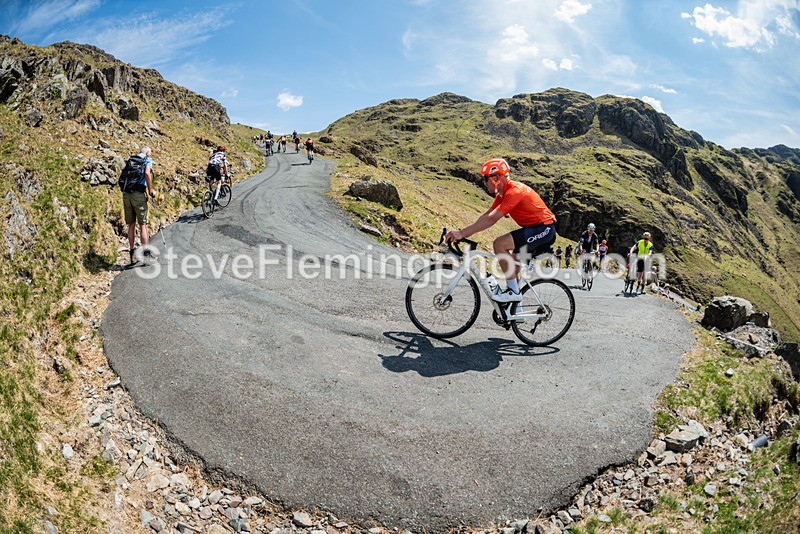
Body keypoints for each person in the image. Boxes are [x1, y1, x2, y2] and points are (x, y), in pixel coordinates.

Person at [445, 158, 557, 303]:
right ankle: (516, 311)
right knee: (513, 268)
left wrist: (462, 233)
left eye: (486, 179)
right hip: (534, 229)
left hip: (544, 229)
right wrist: (462, 232)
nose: (484, 183)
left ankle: (512, 293)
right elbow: (486, 216)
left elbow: (492, 220)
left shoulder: (514, 192)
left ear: (497, 177)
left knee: (500, 244)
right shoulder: (502, 195)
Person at [123, 146, 155, 264]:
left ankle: (132, 255)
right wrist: (151, 190)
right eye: (150, 153)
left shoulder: (132, 159)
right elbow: (147, 173)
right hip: (138, 195)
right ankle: (146, 255)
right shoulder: (147, 160)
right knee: (143, 225)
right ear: (147, 152)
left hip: (126, 194)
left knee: (131, 225)